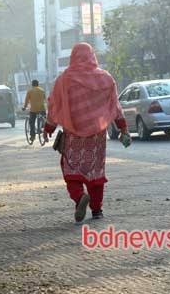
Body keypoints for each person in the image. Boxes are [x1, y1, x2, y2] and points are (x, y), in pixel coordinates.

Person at [43, 42, 130, 223]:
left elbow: (54, 105)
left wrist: (48, 128)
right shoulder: (105, 79)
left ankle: (79, 197)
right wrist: (123, 128)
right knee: (95, 171)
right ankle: (97, 210)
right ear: (92, 56)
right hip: (97, 137)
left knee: (71, 168)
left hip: (73, 135)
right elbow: (115, 106)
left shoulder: (64, 79)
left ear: (73, 57)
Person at [22, 79, 46, 144]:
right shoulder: (42, 90)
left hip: (33, 110)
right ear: (38, 84)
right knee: (44, 121)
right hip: (42, 109)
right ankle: (45, 134)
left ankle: (32, 136)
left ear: (32, 85)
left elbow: (26, 101)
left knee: (31, 122)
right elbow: (45, 99)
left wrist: (24, 107)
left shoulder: (30, 91)